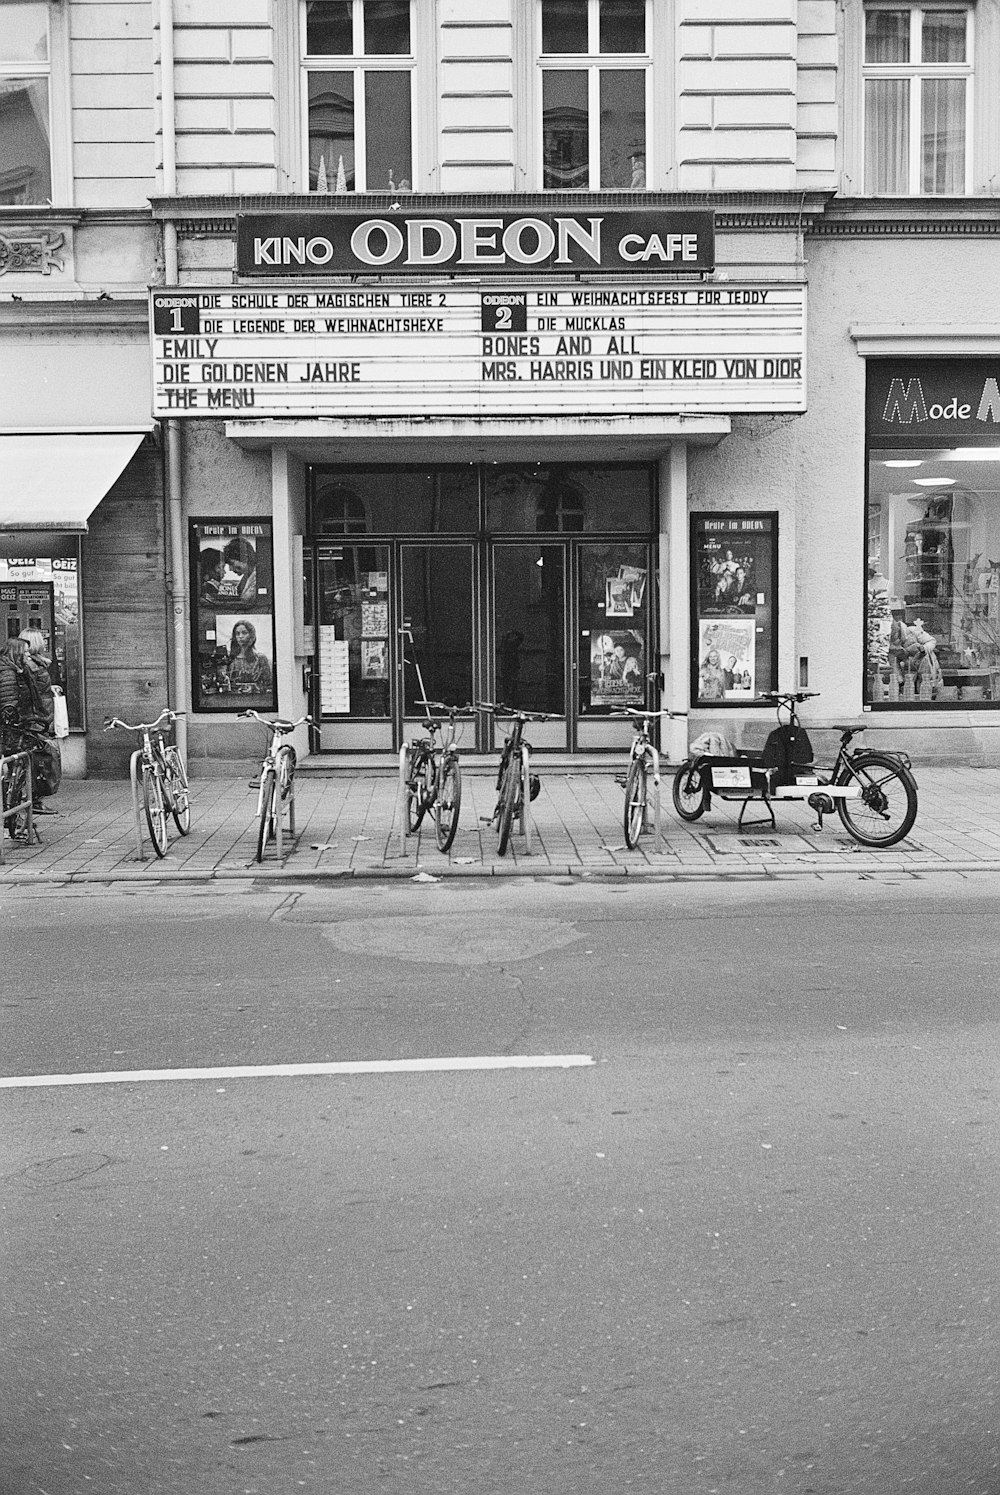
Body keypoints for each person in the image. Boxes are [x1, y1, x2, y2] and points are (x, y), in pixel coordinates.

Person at [227, 619, 272, 695]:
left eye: (244, 633)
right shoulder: (230, 659)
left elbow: (269, 686)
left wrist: (255, 688)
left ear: (251, 635)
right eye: (237, 634)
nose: (240, 636)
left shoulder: (260, 659)